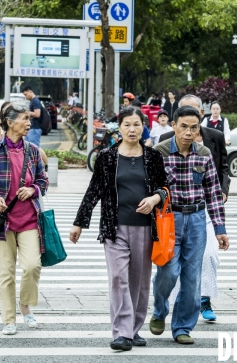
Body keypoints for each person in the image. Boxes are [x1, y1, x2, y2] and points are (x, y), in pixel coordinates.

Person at [70, 106, 168, 351]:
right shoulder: (107, 157)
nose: (132, 129)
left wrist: (155, 198)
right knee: (117, 278)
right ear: (120, 128)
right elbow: (94, 190)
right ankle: (122, 333)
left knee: (140, 282)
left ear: (143, 126)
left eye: (137, 124)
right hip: (114, 227)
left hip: (145, 227)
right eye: (127, 124)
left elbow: (165, 188)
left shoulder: (153, 157)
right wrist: (79, 222)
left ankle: (134, 329)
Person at [150, 106, 229, 345]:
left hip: (196, 219)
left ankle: (182, 326)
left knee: (192, 277)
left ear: (199, 129)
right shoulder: (159, 152)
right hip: (168, 220)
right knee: (168, 271)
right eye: (183, 126)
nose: (188, 132)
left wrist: (219, 229)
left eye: (193, 127)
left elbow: (214, 193)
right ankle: (160, 310)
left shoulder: (204, 154)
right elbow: (150, 189)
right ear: (174, 125)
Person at [0, 102, 49, 336]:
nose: (29, 123)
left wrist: (33, 190)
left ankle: (25, 305)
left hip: (29, 219)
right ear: (10, 122)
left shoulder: (32, 150)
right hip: (2, 222)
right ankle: (9, 319)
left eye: (29, 119)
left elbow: (43, 180)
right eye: (24, 119)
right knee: (6, 273)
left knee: (32, 266)